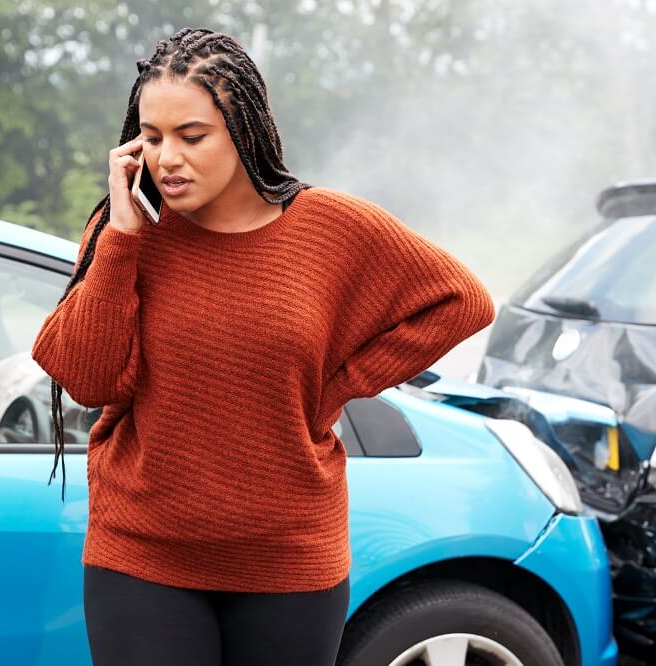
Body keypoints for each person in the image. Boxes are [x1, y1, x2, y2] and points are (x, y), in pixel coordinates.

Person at [29, 27, 496, 666]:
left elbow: (461, 302)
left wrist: (337, 385)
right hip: (142, 556)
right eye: (153, 137)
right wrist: (121, 240)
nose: (168, 159)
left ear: (246, 129)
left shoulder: (331, 228)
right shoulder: (127, 231)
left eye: (192, 137)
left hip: (290, 560)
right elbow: (87, 379)